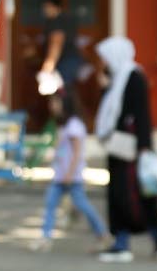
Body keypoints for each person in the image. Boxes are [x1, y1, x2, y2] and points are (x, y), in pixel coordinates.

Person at [94, 36, 157, 263]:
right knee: (121, 196)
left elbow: (141, 115)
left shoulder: (134, 77)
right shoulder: (117, 79)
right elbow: (111, 113)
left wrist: (144, 148)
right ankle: (126, 241)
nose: (104, 63)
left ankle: (155, 231)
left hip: (130, 149)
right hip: (119, 149)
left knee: (132, 195)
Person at [31, 91, 106, 250]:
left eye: (55, 102)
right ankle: (46, 237)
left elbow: (77, 152)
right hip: (60, 174)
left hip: (70, 176)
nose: (52, 106)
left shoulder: (74, 125)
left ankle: (102, 233)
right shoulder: (63, 124)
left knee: (83, 205)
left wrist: (70, 173)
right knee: (50, 204)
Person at [39, 0, 82, 93]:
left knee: (61, 94)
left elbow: (56, 44)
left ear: (50, 5)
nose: (44, 10)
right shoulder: (68, 19)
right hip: (72, 60)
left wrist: (48, 67)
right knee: (67, 91)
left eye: (45, 7)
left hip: (64, 62)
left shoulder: (56, 22)